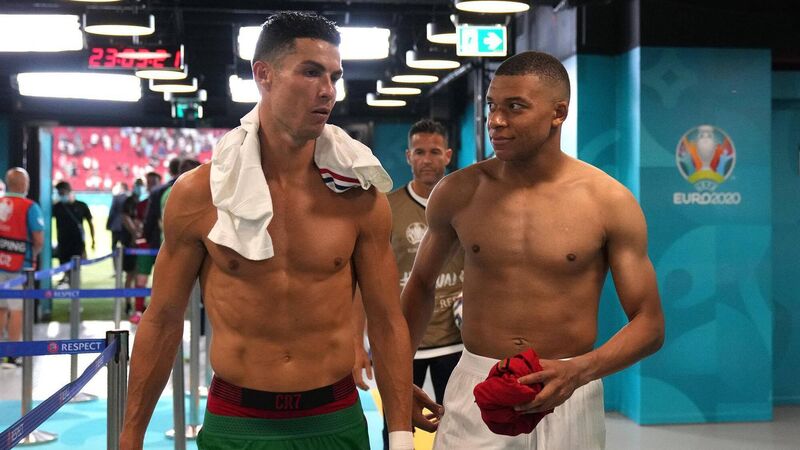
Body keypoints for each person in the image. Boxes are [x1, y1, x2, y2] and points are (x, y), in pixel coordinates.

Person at [120, 12, 415, 450]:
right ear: (264, 75)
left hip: (334, 418)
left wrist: (402, 435)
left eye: (334, 77)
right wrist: (130, 436)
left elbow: (388, 321)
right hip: (237, 422)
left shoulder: (358, 194)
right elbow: (162, 320)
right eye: (311, 72)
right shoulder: (201, 194)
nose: (328, 90)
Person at [403, 51, 665, 449]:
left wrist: (580, 371)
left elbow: (650, 323)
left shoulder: (608, 201)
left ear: (558, 113)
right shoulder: (458, 192)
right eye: (492, 106)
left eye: (515, 107)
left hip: (571, 389)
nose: (496, 120)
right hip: (477, 383)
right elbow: (421, 285)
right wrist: (397, 377)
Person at [352, 119, 464, 449]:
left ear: (448, 155)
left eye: (434, 152)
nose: (427, 159)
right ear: (408, 156)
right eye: (419, 152)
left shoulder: (465, 205)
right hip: (402, 341)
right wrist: (357, 343)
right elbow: (361, 281)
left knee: (458, 432)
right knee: (397, 430)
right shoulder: (386, 207)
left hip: (455, 343)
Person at [0, 168, 44, 368]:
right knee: (17, 309)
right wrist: (33, 254)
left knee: (1, 308)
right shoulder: (29, 207)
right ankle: (12, 355)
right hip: (19, 265)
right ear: (24, 184)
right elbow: (38, 239)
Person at [129, 172, 161, 323]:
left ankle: (157, 311)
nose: (151, 185)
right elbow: (137, 224)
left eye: (153, 182)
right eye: (149, 182)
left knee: (163, 280)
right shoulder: (142, 204)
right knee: (141, 278)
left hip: (163, 245)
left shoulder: (166, 201)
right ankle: (138, 310)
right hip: (147, 246)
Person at [52, 181, 95, 276]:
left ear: (69, 191)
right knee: (64, 267)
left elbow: (90, 223)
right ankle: (66, 280)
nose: (60, 195)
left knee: (75, 271)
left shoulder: (82, 206)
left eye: (62, 193)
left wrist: (92, 240)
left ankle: (73, 284)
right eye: (59, 193)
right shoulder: (57, 207)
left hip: (77, 244)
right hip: (63, 243)